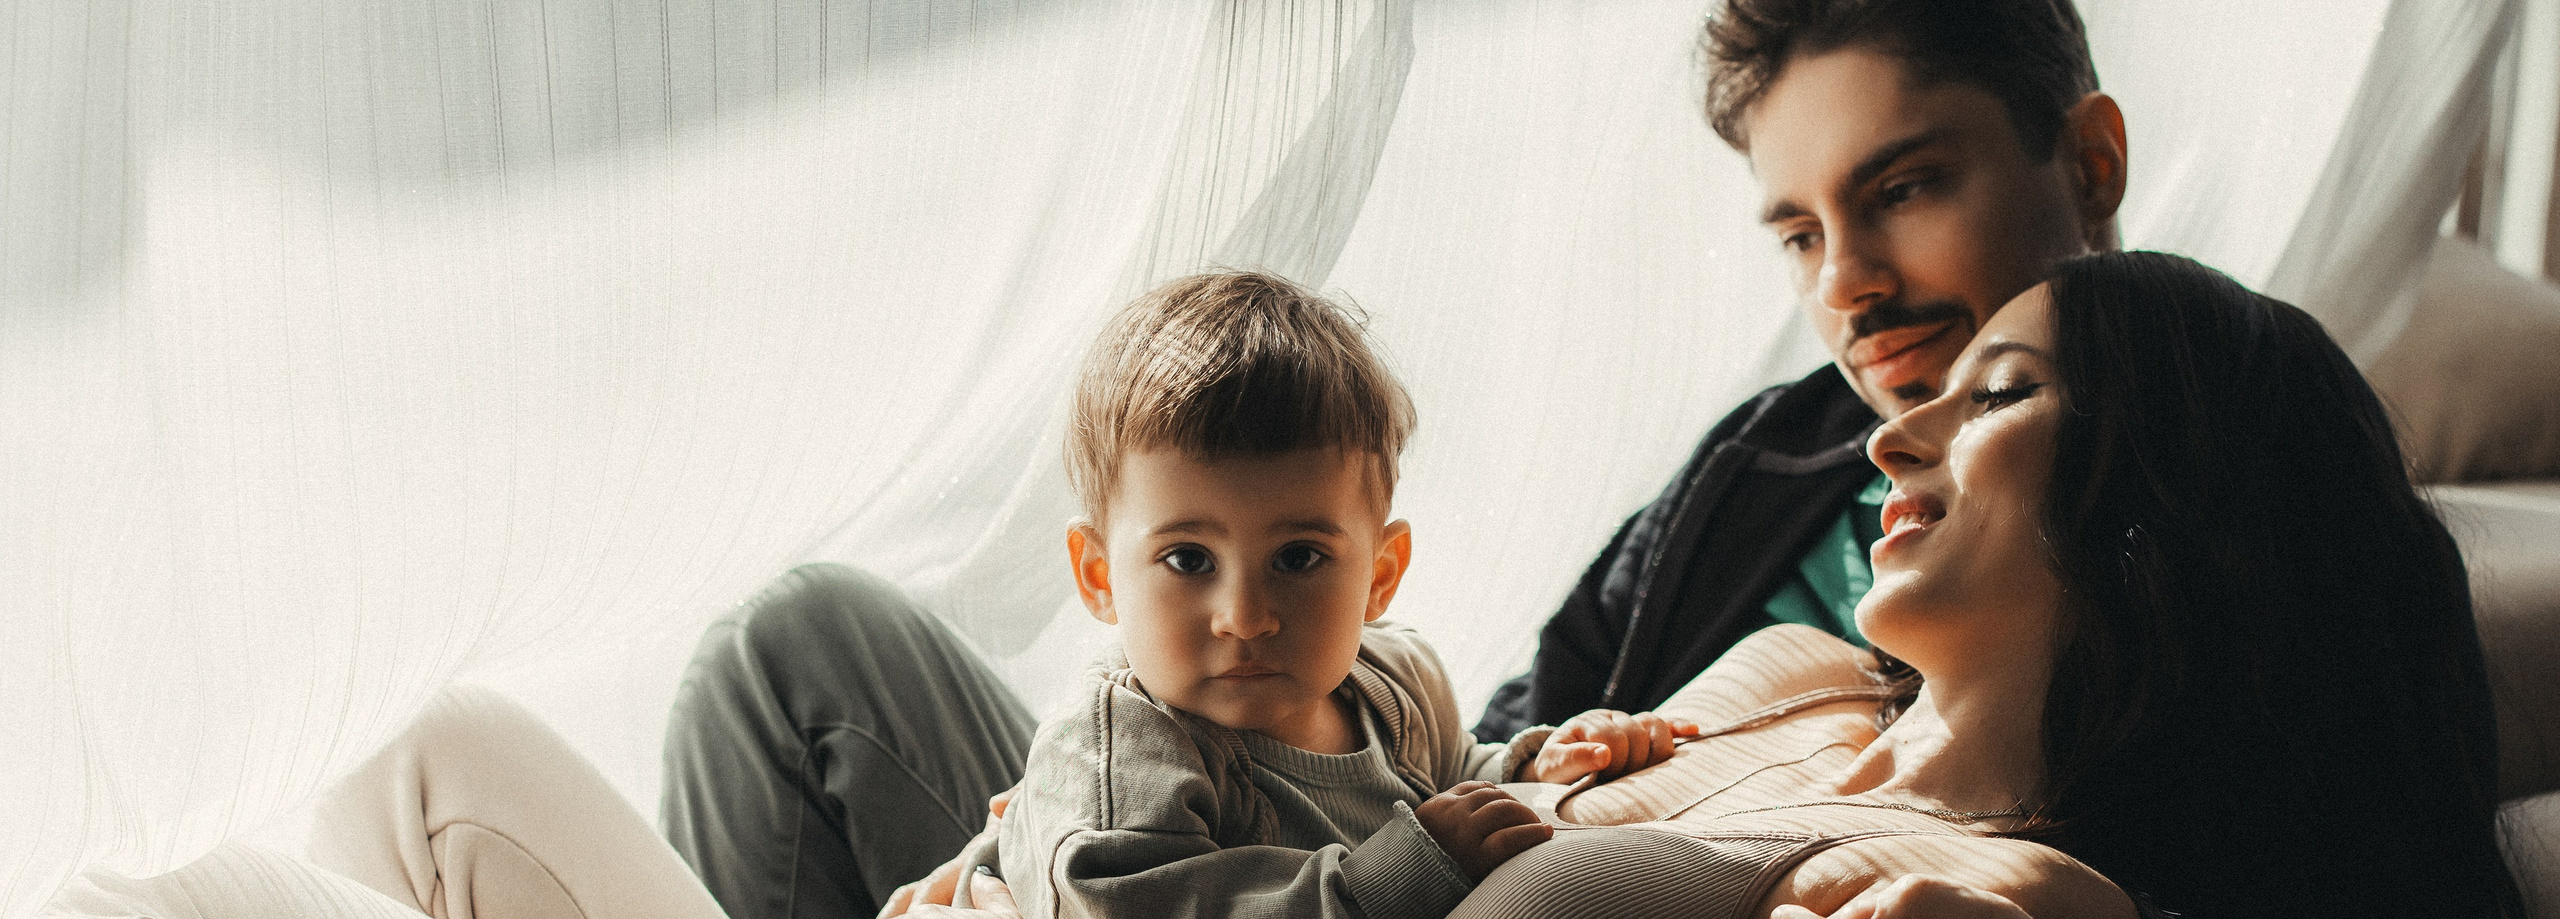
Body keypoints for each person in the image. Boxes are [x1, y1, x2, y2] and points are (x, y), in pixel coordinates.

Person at [665, 2, 2135, 915]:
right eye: (1804, 232)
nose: (1851, 285)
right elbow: (1501, 726)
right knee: (789, 647)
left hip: (1356, 887)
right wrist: (1100, 798)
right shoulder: (1779, 452)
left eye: (1907, 187)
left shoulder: (2194, 486)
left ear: (2089, 162)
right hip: (1280, 838)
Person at [906, 253, 2526, 918]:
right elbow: (1459, 793)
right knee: (806, 639)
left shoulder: (1972, 877)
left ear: (2161, 519)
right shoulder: (1804, 669)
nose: (1899, 424)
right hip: (1189, 843)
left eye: (2005, 389)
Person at [961, 270, 1699, 919]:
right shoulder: (1121, 752)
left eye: (1299, 556)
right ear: (1098, 575)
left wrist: (1531, 769)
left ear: (1380, 573)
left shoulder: (1398, 684)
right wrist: (1387, 882)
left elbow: (1447, 783)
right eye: (1188, 558)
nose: (1245, 614)